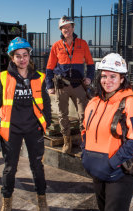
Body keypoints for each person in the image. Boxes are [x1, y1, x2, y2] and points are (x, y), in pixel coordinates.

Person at [0, 37, 52, 211]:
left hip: (33, 129)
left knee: (37, 166)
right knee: (10, 168)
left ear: (29, 56)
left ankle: (42, 199)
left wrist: (46, 121)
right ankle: (6, 201)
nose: (22, 59)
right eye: (18, 56)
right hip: (11, 130)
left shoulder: (39, 77)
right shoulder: (3, 78)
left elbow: (45, 102)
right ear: (12, 58)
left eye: (25, 55)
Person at [81, 53, 133, 211]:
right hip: (97, 170)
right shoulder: (93, 102)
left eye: (113, 76)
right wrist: (85, 154)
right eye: (104, 76)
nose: (107, 81)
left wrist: (112, 163)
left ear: (122, 78)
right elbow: (85, 130)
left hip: (120, 173)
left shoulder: (132, 104)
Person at [46, 16, 95, 153]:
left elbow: (90, 64)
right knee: (62, 115)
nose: (66, 29)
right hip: (61, 85)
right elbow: (49, 67)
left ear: (73, 28)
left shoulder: (82, 44)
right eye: (63, 27)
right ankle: (66, 141)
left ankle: (86, 142)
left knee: (84, 114)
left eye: (68, 27)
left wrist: (89, 78)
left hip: (78, 85)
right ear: (61, 30)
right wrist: (49, 85)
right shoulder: (56, 46)